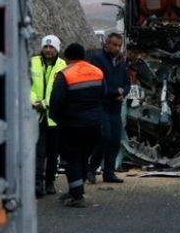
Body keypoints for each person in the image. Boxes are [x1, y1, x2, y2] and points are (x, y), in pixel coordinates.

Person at [49, 43, 104, 207]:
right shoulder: (97, 72)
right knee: (82, 157)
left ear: (67, 58)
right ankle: (76, 190)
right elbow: (104, 95)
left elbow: (56, 102)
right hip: (94, 126)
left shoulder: (64, 74)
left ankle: (77, 196)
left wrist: (56, 119)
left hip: (71, 126)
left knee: (70, 159)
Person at [87, 32, 130, 184]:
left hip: (116, 106)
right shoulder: (98, 59)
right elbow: (99, 81)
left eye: (119, 45)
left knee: (115, 140)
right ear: (107, 43)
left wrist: (123, 92)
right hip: (102, 104)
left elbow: (127, 82)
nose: (117, 48)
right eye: (114, 44)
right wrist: (114, 92)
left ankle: (109, 173)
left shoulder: (120, 62)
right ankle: (91, 169)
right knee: (104, 137)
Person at [31, 35, 67, 198]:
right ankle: (37, 184)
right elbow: (26, 84)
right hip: (37, 115)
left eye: (52, 47)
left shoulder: (62, 66)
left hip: (54, 116)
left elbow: (59, 91)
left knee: (53, 152)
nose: (48, 50)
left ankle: (50, 181)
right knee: (39, 151)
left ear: (57, 49)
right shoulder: (33, 62)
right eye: (46, 47)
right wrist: (34, 101)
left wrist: (45, 103)